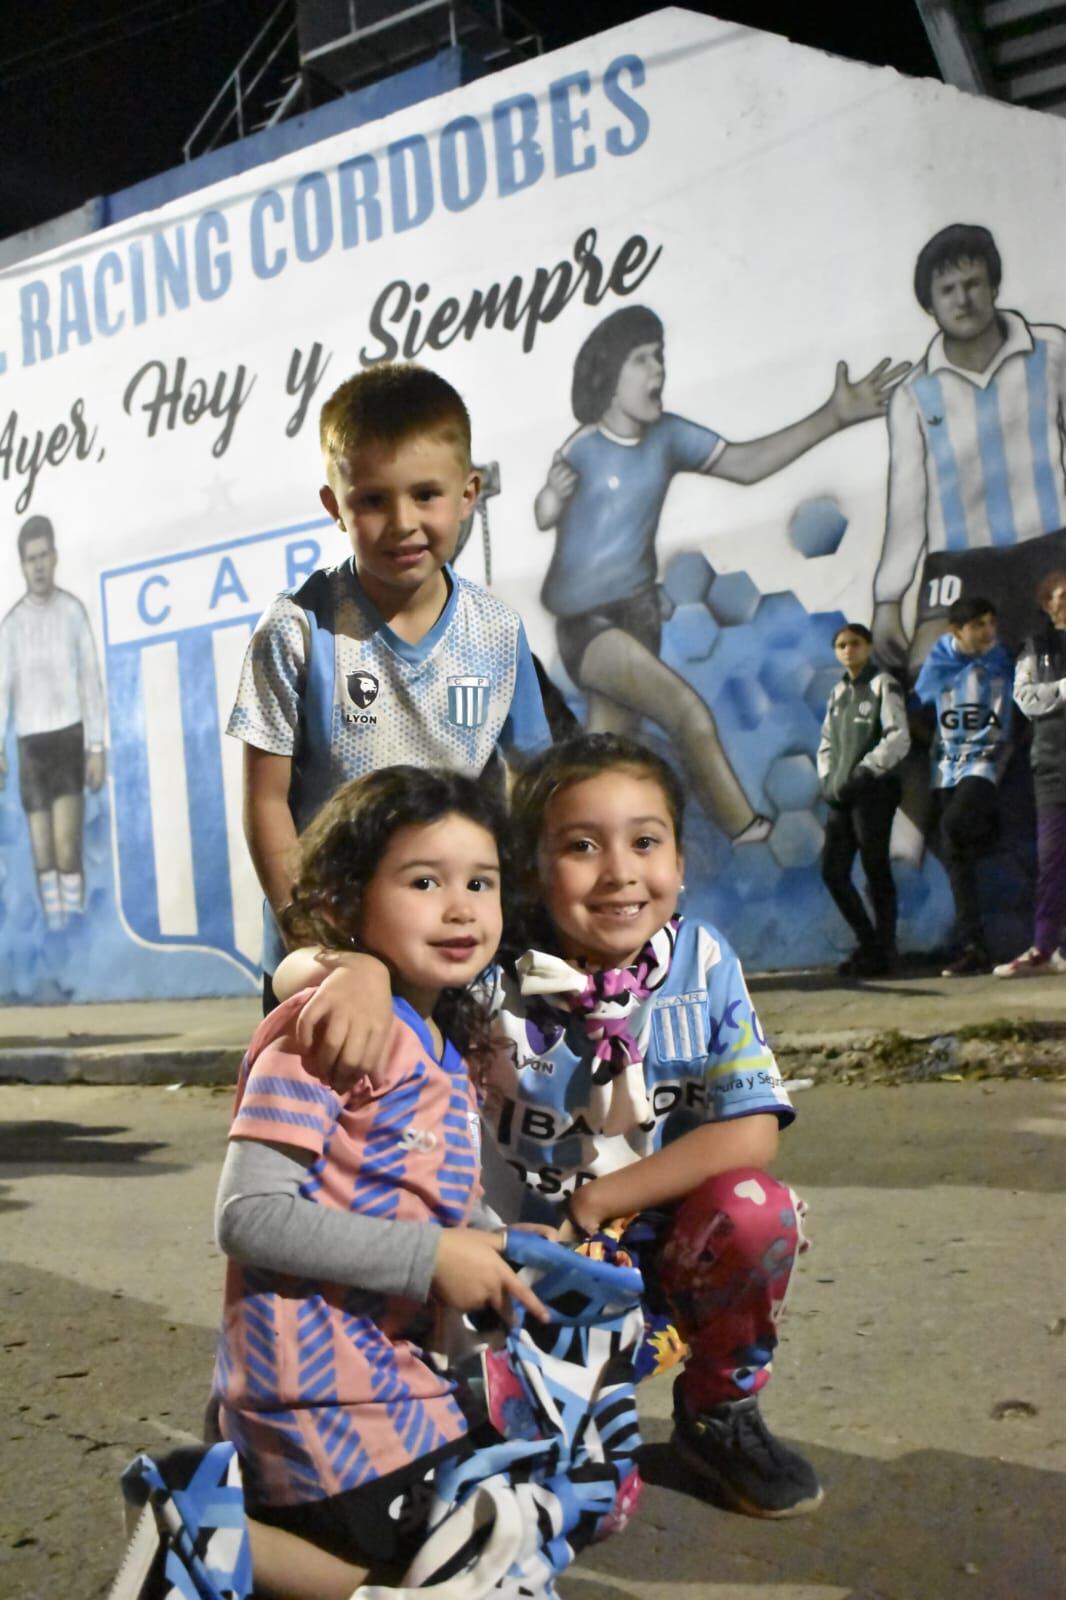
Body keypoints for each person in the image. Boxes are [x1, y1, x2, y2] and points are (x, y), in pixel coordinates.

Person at [276, 733, 821, 1521]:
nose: (621, 872)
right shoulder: (487, 972)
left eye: (646, 841)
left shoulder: (704, 962)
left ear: (681, 862)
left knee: (755, 1211)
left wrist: (596, 1205)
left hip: (648, 1252)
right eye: (581, 846)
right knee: (582, 1508)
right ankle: (494, 1408)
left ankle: (718, 1415)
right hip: (515, 1277)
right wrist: (352, 971)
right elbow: (298, 976)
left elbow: (751, 1133)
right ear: (531, 869)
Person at [212, 766, 552, 1600]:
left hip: (382, 1375)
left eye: (481, 882)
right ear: (348, 899)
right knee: (476, 1556)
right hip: (321, 1392)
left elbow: (414, 1184)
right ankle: (211, 1544)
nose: (461, 906)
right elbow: (248, 1215)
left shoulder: (435, 1041)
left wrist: (498, 1238)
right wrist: (433, 1257)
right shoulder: (334, 1031)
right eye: (423, 882)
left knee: (510, 1499)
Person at [227, 361, 552, 1012]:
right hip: (334, 957)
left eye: (426, 494)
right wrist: (310, 937)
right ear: (334, 506)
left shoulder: (496, 633)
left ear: (469, 494)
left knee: (458, 1114)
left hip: (456, 955)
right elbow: (267, 802)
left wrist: (533, 923)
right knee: (336, 1117)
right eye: (373, 500)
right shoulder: (295, 632)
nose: (402, 522)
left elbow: (536, 790)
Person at [534, 304, 907, 845]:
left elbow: (746, 464)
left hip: (639, 615)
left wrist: (834, 416)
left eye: (659, 357)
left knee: (600, 762)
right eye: (641, 360)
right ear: (609, 376)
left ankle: (553, 847)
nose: (657, 370)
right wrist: (551, 496)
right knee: (687, 713)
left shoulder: (668, 436)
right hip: (588, 625)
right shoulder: (583, 447)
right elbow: (546, 511)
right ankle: (746, 828)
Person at [873, 223, 1066, 678]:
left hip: (1050, 547)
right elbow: (907, 501)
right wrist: (887, 598)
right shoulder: (914, 394)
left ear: (994, 285)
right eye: (948, 290)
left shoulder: (1052, 351)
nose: (964, 299)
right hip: (960, 563)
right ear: (930, 304)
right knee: (932, 672)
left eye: (973, 283)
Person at [0, 514, 106, 930]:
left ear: (55, 557)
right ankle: (58, 936)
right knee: (43, 855)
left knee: (66, 850)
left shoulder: (72, 612)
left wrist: (95, 746)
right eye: (31, 559)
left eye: (44, 556)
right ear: (22, 564)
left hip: (67, 739)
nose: (39, 565)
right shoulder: (10, 627)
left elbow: (91, 684)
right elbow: (2, 691)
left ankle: (73, 934)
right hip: (30, 747)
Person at [914, 597, 1015, 977]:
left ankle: (974, 942)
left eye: (991, 623)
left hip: (986, 761)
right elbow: (917, 707)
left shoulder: (1004, 660)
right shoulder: (939, 662)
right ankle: (974, 945)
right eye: (977, 625)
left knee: (953, 829)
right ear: (956, 631)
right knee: (954, 850)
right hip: (947, 766)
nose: (988, 632)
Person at [817, 623, 910, 977]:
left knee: (875, 867)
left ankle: (885, 950)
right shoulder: (838, 693)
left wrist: (868, 769)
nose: (848, 651)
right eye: (840, 645)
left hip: (874, 790)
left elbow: (898, 736)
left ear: (869, 647)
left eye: (855, 644)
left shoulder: (882, 685)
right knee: (833, 871)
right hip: (842, 793)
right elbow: (826, 741)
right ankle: (868, 943)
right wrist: (827, 778)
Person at [995, 570, 1066, 976]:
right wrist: (1062, 690)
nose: (1062, 601)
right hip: (1054, 770)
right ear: (1045, 604)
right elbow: (1025, 699)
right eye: (1056, 596)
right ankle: (1043, 947)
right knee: (1053, 860)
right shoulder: (1037, 647)